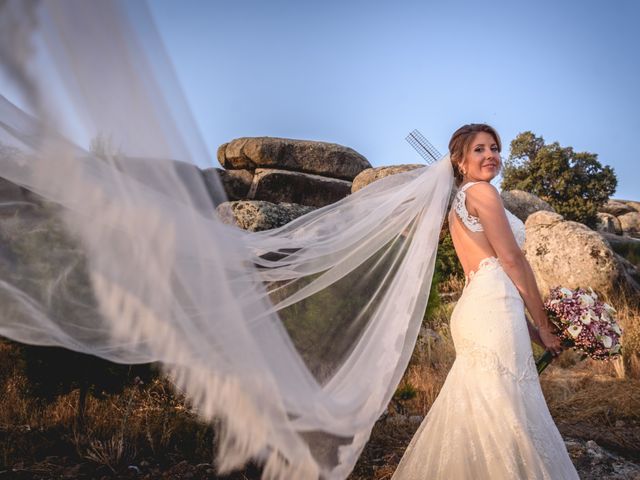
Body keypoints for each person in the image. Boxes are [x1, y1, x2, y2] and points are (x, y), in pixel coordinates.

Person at [390, 124, 579, 479]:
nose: (490, 154)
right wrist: (543, 323)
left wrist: (529, 327)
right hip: (491, 308)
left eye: (494, 147)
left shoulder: (458, 205)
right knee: (504, 412)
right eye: (479, 149)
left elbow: (489, 275)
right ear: (459, 161)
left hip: (480, 307)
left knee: (484, 409)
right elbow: (511, 261)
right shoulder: (484, 193)